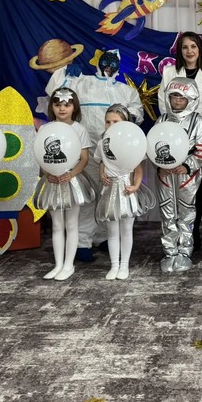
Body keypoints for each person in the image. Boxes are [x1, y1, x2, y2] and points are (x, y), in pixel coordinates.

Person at [45, 48, 144, 263]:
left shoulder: (126, 91)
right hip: (86, 151)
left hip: (115, 156)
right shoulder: (83, 82)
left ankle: (105, 237)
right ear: (98, 62)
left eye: (113, 62)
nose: (108, 66)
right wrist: (66, 74)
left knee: (110, 196)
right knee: (88, 197)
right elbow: (57, 95)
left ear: (118, 66)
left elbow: (137, 113)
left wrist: (128, 120)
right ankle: (82, 241)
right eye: (105, 61)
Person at [159, 32, 202, 253]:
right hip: (171, 138)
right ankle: (173, 236)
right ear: (180, 50)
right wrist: (177, 129)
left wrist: (194, 127)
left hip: (199, 139)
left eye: (193, 46)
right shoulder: (169, 72)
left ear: (200, 50)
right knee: (172, 189)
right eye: (185, 47)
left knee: (195, 189)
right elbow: (163, 102)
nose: (189, 51)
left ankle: (192, 233)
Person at [33, 88, 95, 281]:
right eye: (58, 104)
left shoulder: (79, 129)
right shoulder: (45, 129)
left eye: (67, 105)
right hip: (53, 180)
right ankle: (58, 264)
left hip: (72, 181)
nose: (62, 108)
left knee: (71, 223)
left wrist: (71, 175)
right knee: (57, 224)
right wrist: (48, 173)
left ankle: (69, 265)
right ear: (51, 106)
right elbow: (40, 156)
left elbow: (84, 158)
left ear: (74, 107)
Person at [94, 104, 156, 280]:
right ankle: (114, 265)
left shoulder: (132, 142)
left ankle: (124, 265)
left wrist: (136, 186)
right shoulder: (102, 143)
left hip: (126, 190)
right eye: (108, 122)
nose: (111, 125)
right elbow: (102, 162)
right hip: (109, 190)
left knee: (126, 229)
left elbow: (138, 168)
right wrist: (101, 174)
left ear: (126, 123)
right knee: (112, 230)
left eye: (116, 121)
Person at [156, 77, 202, 272]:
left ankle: (184, 252)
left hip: (187, 176)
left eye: (182, 97)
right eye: (174, 96)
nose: (177, 101)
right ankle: (170, 252)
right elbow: (153, 146)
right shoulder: (162, 119)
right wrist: (159, 165)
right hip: (165, 175)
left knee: (186, 214)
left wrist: (187, 166)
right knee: (167, 214)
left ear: (191, 99)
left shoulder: (197, 121)